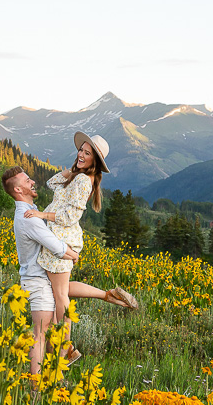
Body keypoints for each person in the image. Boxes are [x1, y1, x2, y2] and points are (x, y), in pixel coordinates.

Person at [22, 132, 137, 364]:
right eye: (81, 150)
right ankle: (106, 297)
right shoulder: (77, 177)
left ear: (96, 160)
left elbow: (69, 215)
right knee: (59, 290)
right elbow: (51, 183)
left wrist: (42, 214)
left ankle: (65, 349)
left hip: (61, 240)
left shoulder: (84, 181)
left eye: (87, 153)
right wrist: (68, 172)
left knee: (60, 296)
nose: (81, 155)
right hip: (57, 238)